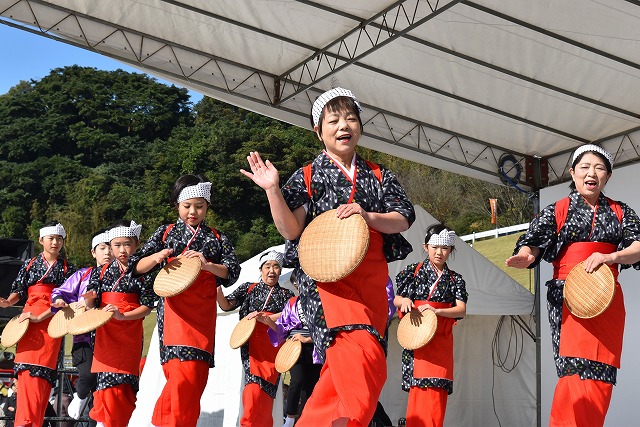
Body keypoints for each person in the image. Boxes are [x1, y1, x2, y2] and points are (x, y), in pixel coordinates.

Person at [241, 87, 415, 427]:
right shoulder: (307, 175)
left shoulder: (380, 175)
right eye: (332, 120)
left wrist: (367, 216)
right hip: (327, 285)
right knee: (359, 350)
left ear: (360, 126)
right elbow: (290, 230)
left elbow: (403, 218)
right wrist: (273, 190)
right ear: (318, 131)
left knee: (362, 365)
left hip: (373, 279)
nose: (343, 126)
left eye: (350, 118)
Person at [506, 144, 640, 426]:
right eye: (585, 167)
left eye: (600, 168)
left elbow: (638, 246)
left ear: (608, 176)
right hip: (568, 299)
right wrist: (526, 255)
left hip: (606, 297)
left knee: (601, 374)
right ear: (573, 173)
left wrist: (611, 255)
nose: (592, 173)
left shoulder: (620, 211)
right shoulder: (558, 209)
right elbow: (533, 243)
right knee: (575, 373)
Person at [130, 174, 241, 427]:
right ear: (177, 206)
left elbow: (231, 273)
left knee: (197, 377)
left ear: (207, 207)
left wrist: (207, 264)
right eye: (187, 206)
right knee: (181, 373)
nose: (193, 212)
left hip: (202, 314)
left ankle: (173, 422)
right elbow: (137, 267)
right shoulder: (166, 232)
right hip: (174, 312)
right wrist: (159, 256)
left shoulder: (216, 237)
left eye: (200, 206)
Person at [21, 229, 112, 423]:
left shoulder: (121, 277)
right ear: (93, 252)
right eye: (102, 248)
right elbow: (60, 291)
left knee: (105, 392)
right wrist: (61, 300)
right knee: (87, 377)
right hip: (84, 338)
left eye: (111, 248)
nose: (108, 253)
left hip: (112, 339)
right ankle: (79, 396)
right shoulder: (82, 274)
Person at [0, 222, 77, 427]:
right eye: (51, 238)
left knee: (42, 383)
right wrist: (8, 302)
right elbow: (19, 289)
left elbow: (67, 301)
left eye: (59, 239)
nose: (55, 242)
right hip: (28, 325)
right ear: (41, 240)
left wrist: (43, 314)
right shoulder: (30, 264)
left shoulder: (68, 268)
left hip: (51, 323)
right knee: (25, 378)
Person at [84, 220, 157, 427]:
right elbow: (91, 305)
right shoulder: (100, 271)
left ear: (136, 244)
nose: (122, 250)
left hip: (129, 332)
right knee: (106, 387)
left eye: (127, 244)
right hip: (105, 333)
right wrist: (89, 299)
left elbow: (147, 307)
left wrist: (123, 316)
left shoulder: (144, 272)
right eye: (116, 245)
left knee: (124, 388)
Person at [394, 224, 468, 427]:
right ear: (426, 247)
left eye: (444, 248)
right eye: (434, 247)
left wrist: (438, 311)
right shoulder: (413, 271)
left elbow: (461, 309)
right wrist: (406, 302)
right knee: (418, 393)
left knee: (437, 393)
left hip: (441, 338)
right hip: (417, 335)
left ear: (451, 250)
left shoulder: (455, 279)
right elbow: (396, 299)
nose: (439, 252)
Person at [217, 251, 294, 427]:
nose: (272, 271)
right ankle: (248, 424)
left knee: (268, 393)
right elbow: (227, 305)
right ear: (261, 270)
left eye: (276, 267)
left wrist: (268, 319)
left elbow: (289, 319)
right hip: (252, 347)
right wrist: (218, 292)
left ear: (280, 271)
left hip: (273, 347)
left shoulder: (286, 295)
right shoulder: (248, 288)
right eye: (267, 266)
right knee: (252, 390)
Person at [263, 270, 322, 427]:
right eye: (296, 284)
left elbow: (326, 328)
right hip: (296, 348)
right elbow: (282, 328)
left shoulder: (320, 302)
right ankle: (289, 418)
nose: (299, 287)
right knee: (297, 380)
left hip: (315, 347)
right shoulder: (292, 303)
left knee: (311, 385)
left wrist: (307, 338)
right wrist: (269, 321)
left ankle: (305, 419)